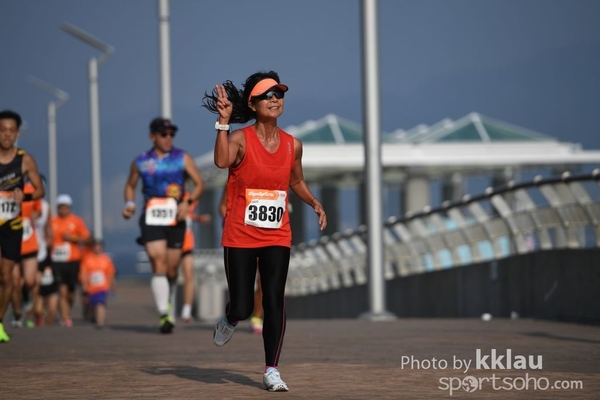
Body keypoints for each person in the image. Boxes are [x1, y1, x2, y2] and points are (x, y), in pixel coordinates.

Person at [202, 71, 327, 392]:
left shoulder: (293, 145)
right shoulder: (240, 139)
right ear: (253, 104)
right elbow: (221, 162)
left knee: (273, 299)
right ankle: (230, 318)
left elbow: (296, 180)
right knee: (243, 307)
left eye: (279, 94)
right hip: (240, 234)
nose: (275, 99)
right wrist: (223, 122)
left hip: (276, 234)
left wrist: (314, 202)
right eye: (267, 95)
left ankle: (272, 369)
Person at [122, 117, 205, 334]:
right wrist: (129, 204)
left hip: (176, 218)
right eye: (163, 134)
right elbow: (130, 186)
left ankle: (168, 301)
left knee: (171, 269)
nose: (169, 138)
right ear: (152, 136)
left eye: (171, 134)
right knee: (158, 261)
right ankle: (163, 313)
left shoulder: (182, 157)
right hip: (152, 217)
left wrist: (187, 202)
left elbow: (199, 184)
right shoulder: (141, 161)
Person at [0, 109, 45, 342]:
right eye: (2, 130)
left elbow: (40, 190)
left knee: (7, 277)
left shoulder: (25, 159)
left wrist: (24, 197)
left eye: (11, 131)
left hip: (12, 224)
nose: (7, 135)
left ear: (17, 133)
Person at [218, 183, 263, 335]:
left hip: (266, 236)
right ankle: (237, 310)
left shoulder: (275, 180)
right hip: (241, 237)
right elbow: (222, 206)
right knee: (243, 280)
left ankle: (257, 317)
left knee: (263, 280)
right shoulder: (236, 179)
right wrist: (232, 221)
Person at [50, 194, 92, 327]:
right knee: (62, 290)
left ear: (70, 208)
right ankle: (65, 318)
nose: (63, 210)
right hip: (57, 261)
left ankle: (67, 311)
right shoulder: (52, 221)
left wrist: (73, 238)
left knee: (70, 294)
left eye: (66, 207)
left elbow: (87, 239)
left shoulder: (77, 221)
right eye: (61, 207)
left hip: (73, 260)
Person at [10, 180, 43, 328]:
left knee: (29, 280)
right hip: (11, 242)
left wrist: (35, 214)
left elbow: (38, 208)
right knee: (14, 281)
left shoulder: (30, 189)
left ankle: (26, 295)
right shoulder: (4, 188)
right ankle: (17, 312)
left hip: (29, 243)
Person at [179, 191, 211, 323]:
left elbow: (188, 214)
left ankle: (186, 311)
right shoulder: (169, 193)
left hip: (186, 242)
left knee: (189, 274)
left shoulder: (190, 197)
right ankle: (166, 307)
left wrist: (199, 218)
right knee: (170, 274)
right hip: (171, 242)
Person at [33, 183, 59, 326]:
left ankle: (41, 314)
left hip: (43, 253)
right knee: (30, 283)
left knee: (37, 283)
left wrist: (49, 239)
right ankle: (27, 307)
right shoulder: (19, 202)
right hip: (25, 249)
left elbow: (48, 229)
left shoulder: (45, 207)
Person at [79, 239, 116, 328]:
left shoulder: (106, 259)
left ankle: (100, 322)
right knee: (92, 305)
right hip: (91, 287)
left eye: (99, 247)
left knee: (100, 303)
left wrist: (112, 286)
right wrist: (84, 284)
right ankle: (92, 317)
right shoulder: (87, 259)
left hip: (102, 287)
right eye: (95, 247)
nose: (97, 249)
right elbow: (83, 273)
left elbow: (110, 273)